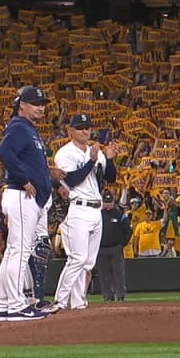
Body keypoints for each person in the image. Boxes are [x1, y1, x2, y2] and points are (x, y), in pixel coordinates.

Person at [0, 85, 65, 322]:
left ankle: (4, 304)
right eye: (36, 103)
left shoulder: (27, 129)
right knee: (20, 252)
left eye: (43, 104)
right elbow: (4, 152)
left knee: (14, 252)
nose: (41, 108)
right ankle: (16, 306)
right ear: (22, 104)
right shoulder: (19, 126)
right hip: (21, 196)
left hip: (24, 197)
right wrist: (24, 179)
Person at [44, 114, 117, 314]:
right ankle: (59, 300)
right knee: (77, 258)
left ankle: (78, 302)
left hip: (96, 209)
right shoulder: (65, 153)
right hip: (77, 208)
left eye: (87, 127)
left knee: (87, 263)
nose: (85, 131)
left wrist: (109, 160)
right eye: (80, 128)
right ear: (71, 131)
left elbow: (110, 177)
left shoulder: (96, 150)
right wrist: (91, 161)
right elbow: (72, 180)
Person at [97, 192, 131, 301]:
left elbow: (128, 230)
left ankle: (120, 295)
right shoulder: (98, 215)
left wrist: (122, 244)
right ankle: (107, 295)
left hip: (115, 248)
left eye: (109, 202)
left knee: (118, 273)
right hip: (101, 248)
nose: (107, 204)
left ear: (113, 202)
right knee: (104, 274)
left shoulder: (120, 214)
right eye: (105, 202)